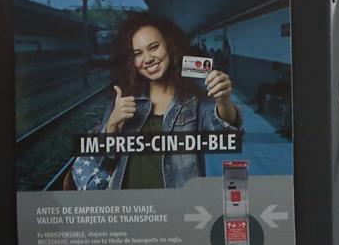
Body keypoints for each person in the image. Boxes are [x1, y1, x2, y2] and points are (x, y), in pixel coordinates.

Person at [101, 13, 240, 190]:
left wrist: (224, 100)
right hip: (130, 207)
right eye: (137, 54)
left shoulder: (195, 91)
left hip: (179, 206)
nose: (148, 59)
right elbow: (104, 158)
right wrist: (112, 124)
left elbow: (224, 135)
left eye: (154, 47)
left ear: (169, 45)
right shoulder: (123, 93)